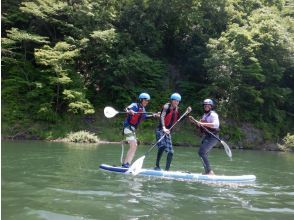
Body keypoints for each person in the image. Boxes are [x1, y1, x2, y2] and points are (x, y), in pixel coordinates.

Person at [122, 92, 155, 168]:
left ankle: (126, 164)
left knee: (134, 145)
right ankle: (126, 164)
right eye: (145, 100)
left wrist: (154, 115)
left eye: (147, 101)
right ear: (141, 100)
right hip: (128, 127)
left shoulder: (143, 109)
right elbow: (126, 108)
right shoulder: (134, 105)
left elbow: (145, 116)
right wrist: (129, 111)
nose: (146, 102)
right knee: (134, 145)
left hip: (132, 129)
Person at [189, 98, 219, 175]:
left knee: (201, 152)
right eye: (205, 105)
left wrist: (202, 124)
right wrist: (195, 122)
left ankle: (209, 172)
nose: (206, 107)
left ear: (211, 106)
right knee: (203, 153)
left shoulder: (213, 114)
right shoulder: (204, 115)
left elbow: (216, 124)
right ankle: (207, 171)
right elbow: (200, 126)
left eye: (208, 106)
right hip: (207, 136)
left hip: (213, 137)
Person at [154, 93, 182, 171]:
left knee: (171, 152)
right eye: (175, 101)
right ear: (171, 100)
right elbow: (162, 116)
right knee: (162, 146)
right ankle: (157, 166)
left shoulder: (177, 109)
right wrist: (163, 127)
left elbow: (179, 119)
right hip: (160, 130)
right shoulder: (167, 106)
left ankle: (167, 170)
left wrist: (187, 112)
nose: (176, 102)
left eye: (178, 101)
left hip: (168, 132)